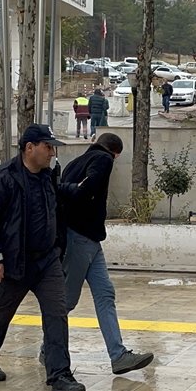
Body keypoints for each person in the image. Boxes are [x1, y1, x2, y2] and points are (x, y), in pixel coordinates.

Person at [0, 123, 86, 391]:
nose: (52, 152)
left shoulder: (48, 176)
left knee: (57, 313)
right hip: (12, 263)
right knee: (0, 314)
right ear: (29, 148)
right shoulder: (3, 178)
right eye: (48, 146)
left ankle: (60, 375)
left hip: (46, 261)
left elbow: (55, 207)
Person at [54, 132, 155, 374]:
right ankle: (49, 349)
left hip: (89, 240)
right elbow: (83, 190)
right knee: (67, 301)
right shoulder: (104, 160)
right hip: (80, 238)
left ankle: (118, 355)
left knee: (105, 294)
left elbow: (64, 192)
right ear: (115, 153)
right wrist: (75, 190)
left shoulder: (73, 163)